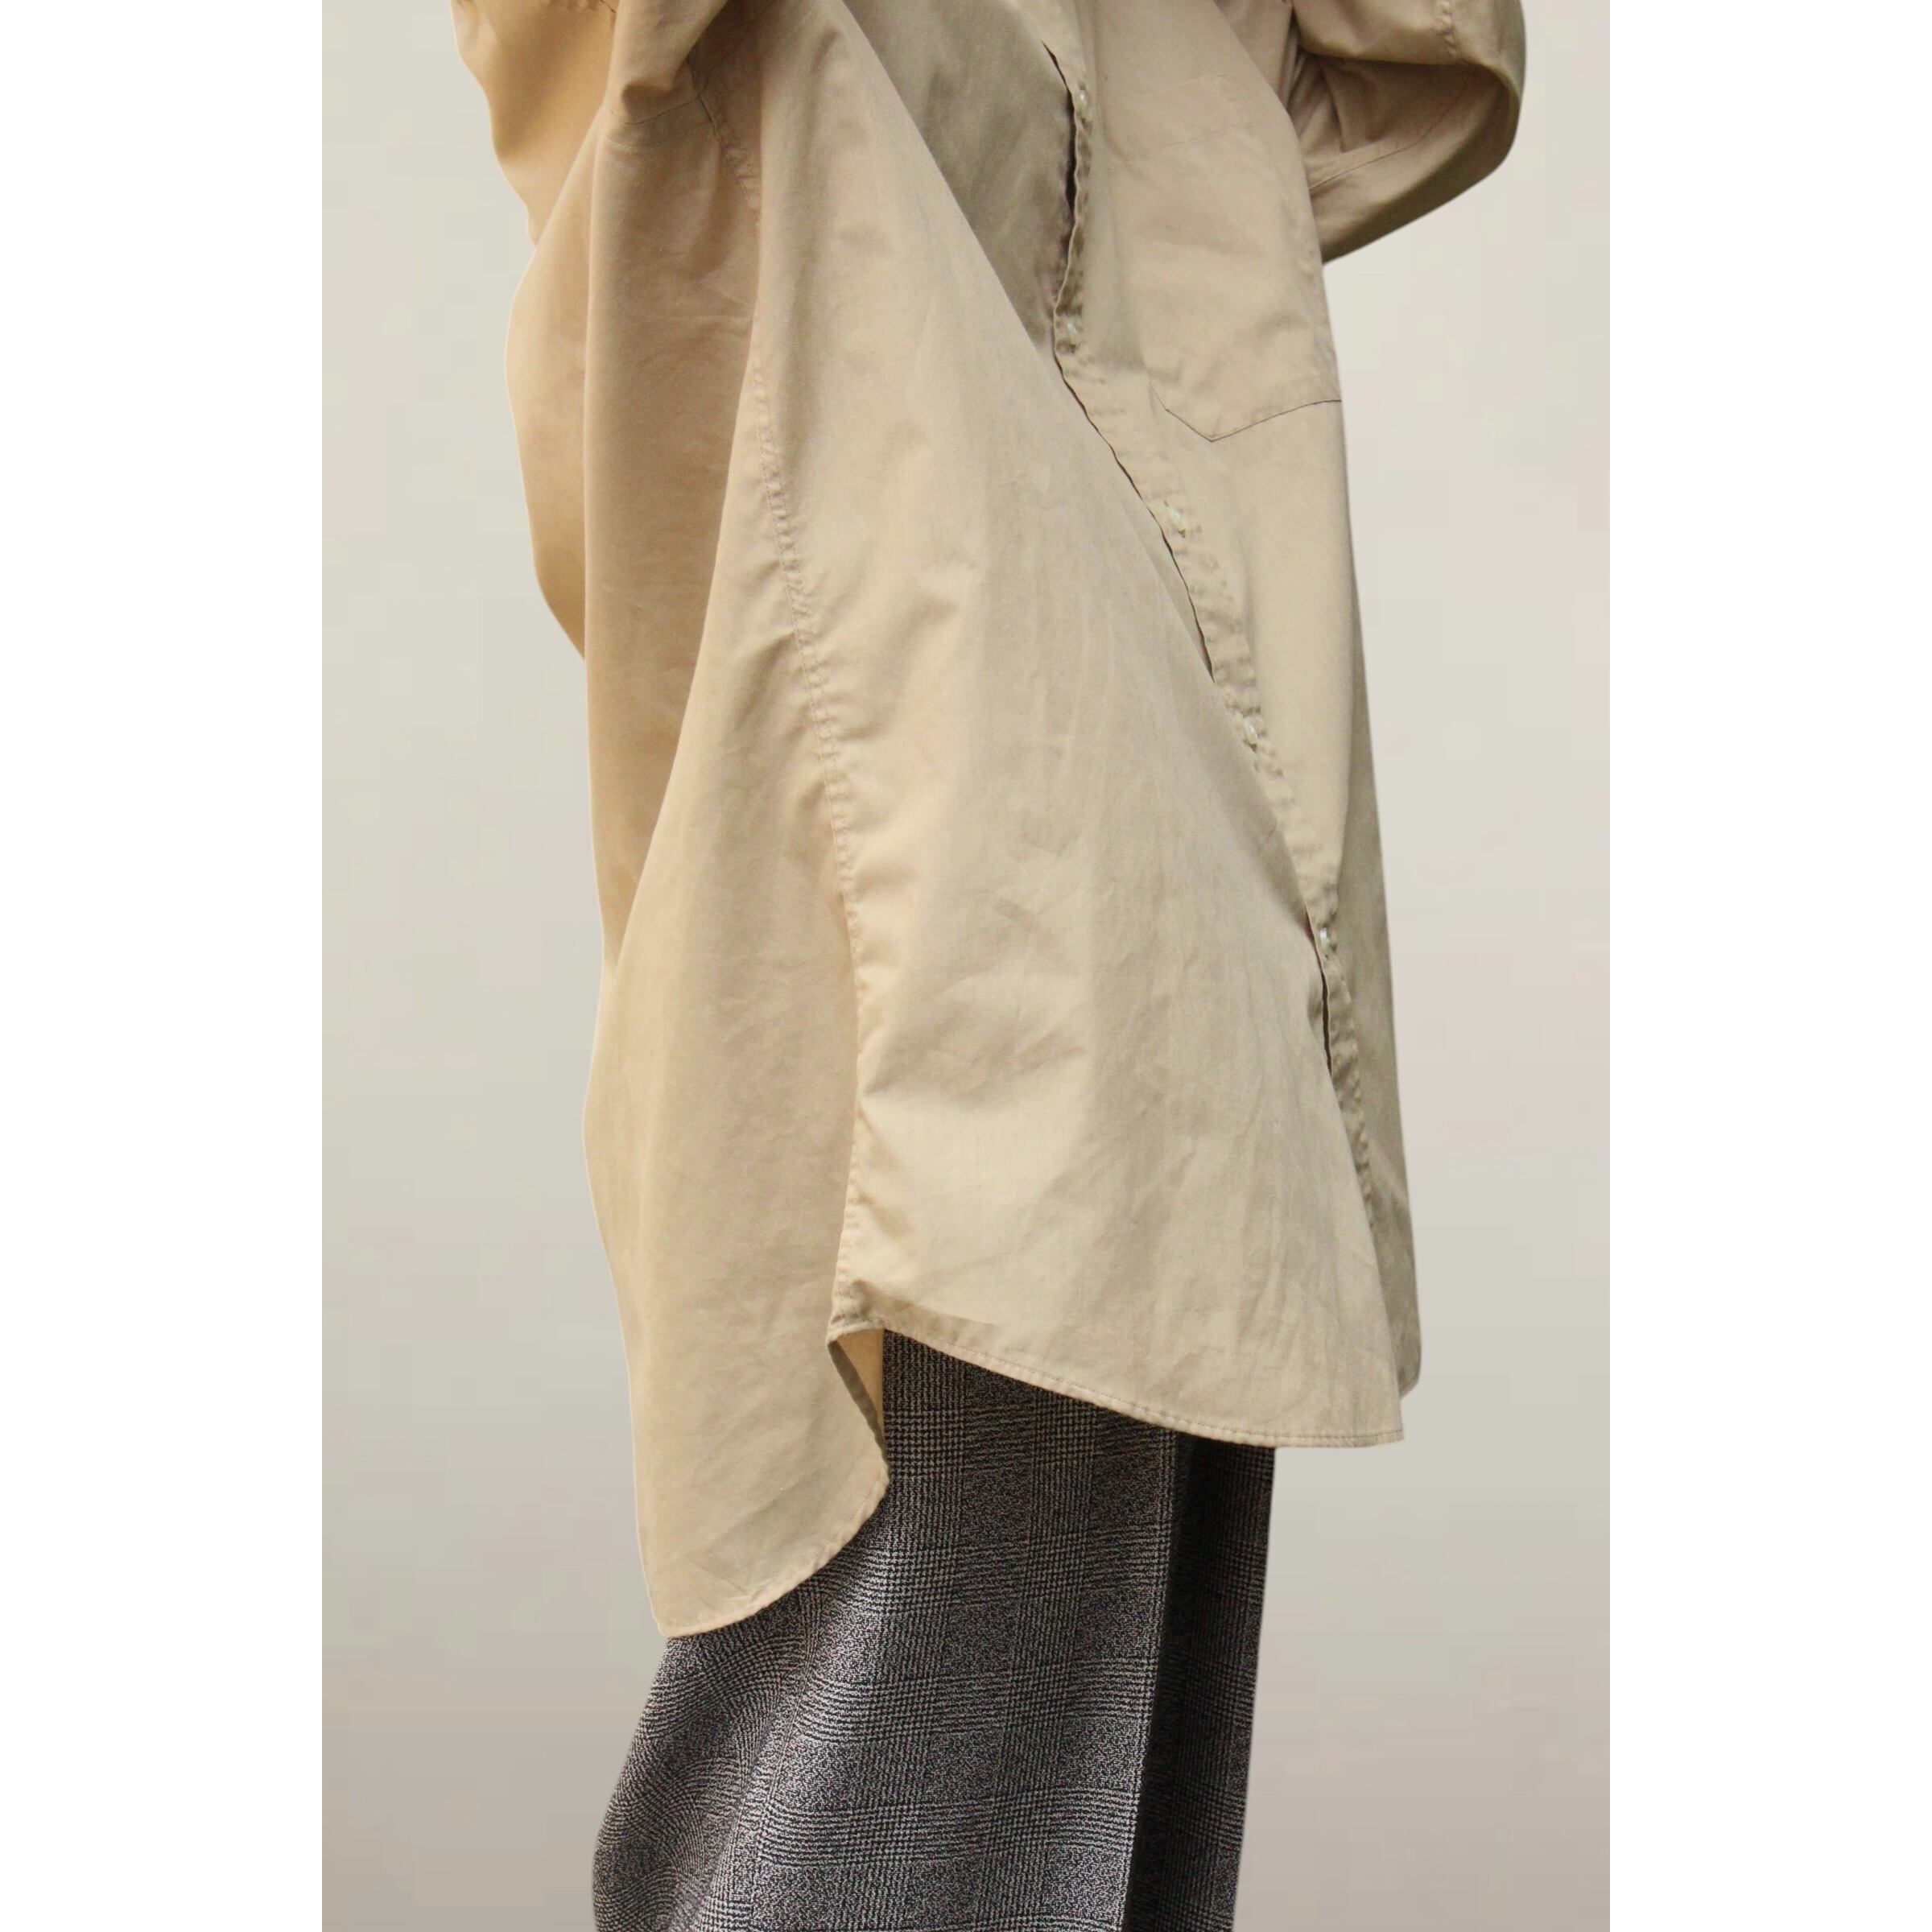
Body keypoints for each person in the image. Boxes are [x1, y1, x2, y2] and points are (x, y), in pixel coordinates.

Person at [450, 1, 1524, 1923]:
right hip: (950, 944)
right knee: (887, 1816)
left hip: (1196, 923)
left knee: (1081, 1841)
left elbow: (1404, 71)